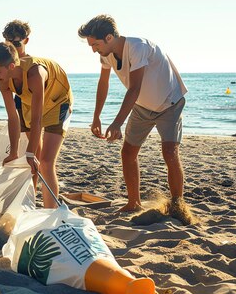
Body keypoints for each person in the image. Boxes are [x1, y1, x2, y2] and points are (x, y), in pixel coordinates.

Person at [78, 14, 188, 212]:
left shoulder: (138, 47)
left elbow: (134, 87)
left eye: (95, 44)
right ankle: (133, 203)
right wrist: (96, 116)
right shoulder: (106, 54)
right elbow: (104, 83)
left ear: (109, 38)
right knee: (128, 153)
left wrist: (117, 122)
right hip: (141, 106)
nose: (94, 50)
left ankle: (178, 206)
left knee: (169, 152)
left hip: (169, 103)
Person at [0, 41, 73, 208]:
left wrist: (31, 152)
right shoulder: (3, 80)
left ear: (11, 66)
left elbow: (37, 120)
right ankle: (31, 204)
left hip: (58, 102)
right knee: (28, 159)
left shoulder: (35, 74)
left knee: (46, 162)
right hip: (30, 102)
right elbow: (12, 117)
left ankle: (50, 212)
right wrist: (12, 152)